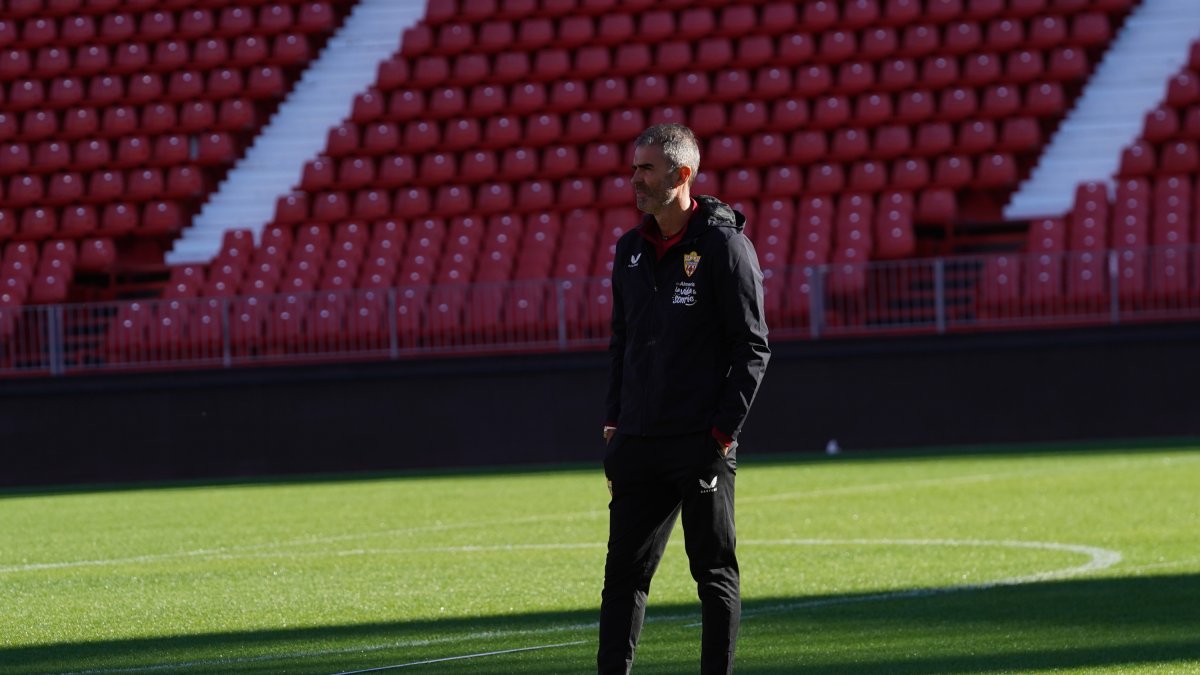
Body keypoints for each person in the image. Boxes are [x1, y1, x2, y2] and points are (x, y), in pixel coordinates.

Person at [598, 123, 771, 674]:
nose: (635, 180)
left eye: (646, 169)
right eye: (633, 169)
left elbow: (753, 347)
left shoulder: (724, 245)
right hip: (639, 443)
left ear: (683, 174)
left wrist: (721, 433)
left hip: (699, 443)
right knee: (622, 577)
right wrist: (613, 423)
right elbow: (621, 342)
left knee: (713, 574)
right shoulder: (630, 250)